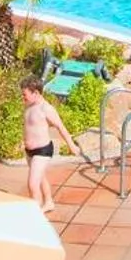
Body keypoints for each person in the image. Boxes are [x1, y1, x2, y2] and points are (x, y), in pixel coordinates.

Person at [21, 78, 78, 214]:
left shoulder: (46, 109)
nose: (22, 97)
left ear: (36, 93)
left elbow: (60, 126)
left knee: (32, 183)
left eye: (25, 94)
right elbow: (28, 127)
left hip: (42, 150)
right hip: (30, 150)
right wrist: (22, 141)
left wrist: (71, 146)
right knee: (40, 178)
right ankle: (48, 202)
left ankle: (35, 215)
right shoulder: (29, 106)